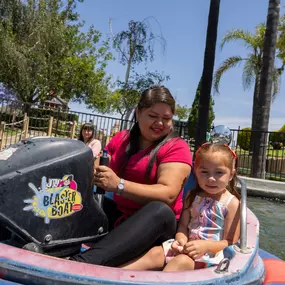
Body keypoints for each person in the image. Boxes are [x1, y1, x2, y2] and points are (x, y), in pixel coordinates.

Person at [70, 86, 192, 266]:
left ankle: (80, 264)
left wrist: (118, 184)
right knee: (83, 199)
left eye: (166, 118)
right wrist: (94, 170)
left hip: (159, 226)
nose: (159, 123)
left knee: (159, 210)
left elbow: (168, 194)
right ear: (138, 112)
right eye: (153, 116)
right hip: (123, 218)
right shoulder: (121, 139)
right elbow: (101, 165)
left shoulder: (177, 147)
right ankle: (49, 242)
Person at [120, 143, 240, 272]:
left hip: (208, 258)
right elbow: (183, 226)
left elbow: (230, 242)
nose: (211, 178)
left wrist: (206, 246)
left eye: (219, 173)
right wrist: (180, 240)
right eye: (204, 172)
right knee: (155, 253)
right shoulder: (192, 196)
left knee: (180, 262)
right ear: (196, 172)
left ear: (231, 175)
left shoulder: (231, 203)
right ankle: (113, 276)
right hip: (185, 249)